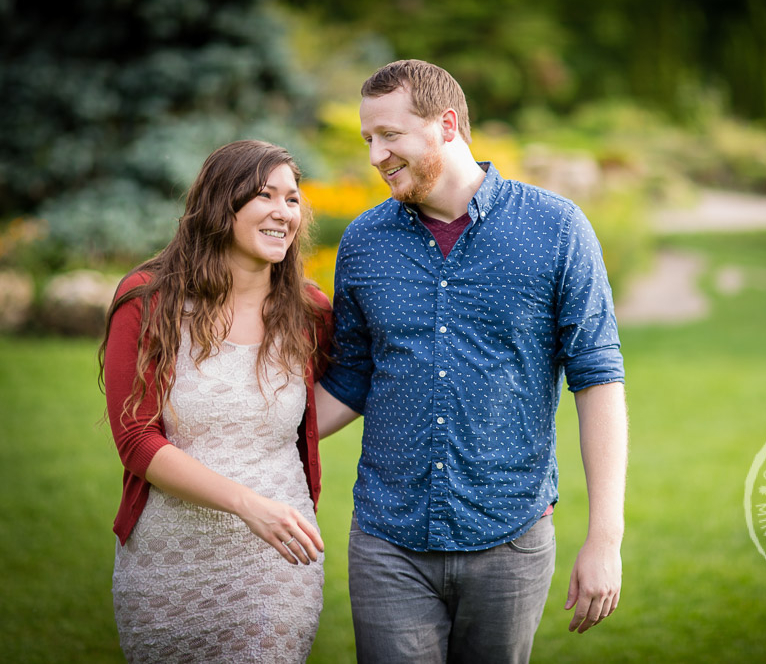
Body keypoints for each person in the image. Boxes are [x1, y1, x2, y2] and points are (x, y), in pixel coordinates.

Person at [315, 59, 628, 663]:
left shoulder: (556, 229)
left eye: (390, 135)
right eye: (368, 140)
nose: (376, 155)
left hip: (510, 538)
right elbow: (352, 377)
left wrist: (605, 538)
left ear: (447, 124)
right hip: (388, 541)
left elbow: (599, 381)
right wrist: (246, 432)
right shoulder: (363, 242)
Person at [99, 139, 332, 663]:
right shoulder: (148, 301)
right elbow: (135, 439)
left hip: (278, 552)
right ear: (220, 204)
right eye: (265, 195)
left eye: (293, 199)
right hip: (165, 556)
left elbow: (347, 390)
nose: (283, 212)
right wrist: (247, 504)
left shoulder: (309, 310)